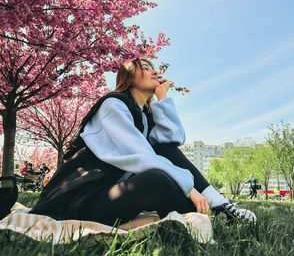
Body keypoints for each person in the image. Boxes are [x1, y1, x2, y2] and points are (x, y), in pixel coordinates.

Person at [30, 58, 256, 226]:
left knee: (163, 151)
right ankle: (212, 216)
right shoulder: (113, 105)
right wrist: (190, 189)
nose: (155, 71)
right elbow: (140, 155)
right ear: (128, 77)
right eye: (146, 68)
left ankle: (218, 205)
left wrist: (162, 97)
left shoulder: (143, 117)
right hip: (80, 201)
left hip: (109, 193)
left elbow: (172, 141)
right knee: (158, 180)